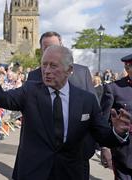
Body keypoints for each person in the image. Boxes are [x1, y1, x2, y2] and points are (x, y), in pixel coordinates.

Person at [0, 41, 131, 180]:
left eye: (53, 65)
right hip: (33, 173)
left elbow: (102, 136)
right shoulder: (29, 92)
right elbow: (1, 99)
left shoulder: (86, 100)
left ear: (69, 70)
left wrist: (117, 132)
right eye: (44, 64)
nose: (46, 70)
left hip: (71, 173)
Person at [26, 31, 97, 179]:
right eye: (45, 48)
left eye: (53, 47)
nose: (49, 51)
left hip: (77, 155)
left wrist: (104, 147)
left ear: (62, 47)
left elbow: (95, 112)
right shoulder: (34, 76)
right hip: (43, 157)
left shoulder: (82, 72)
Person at [101, 53, 132, 179]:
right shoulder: (114, 88)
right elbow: (103, 121)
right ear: (127, 68)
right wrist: (104, 147)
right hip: (125, 152)